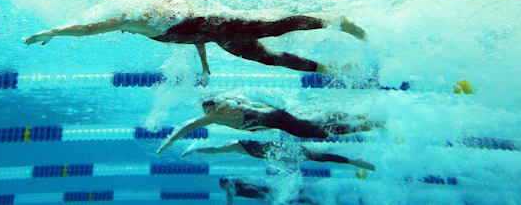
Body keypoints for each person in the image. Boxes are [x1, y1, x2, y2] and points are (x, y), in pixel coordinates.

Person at [25, 9, 366, 86]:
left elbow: (89, 29)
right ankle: (326, 69)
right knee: (269, 59)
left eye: (119, 26)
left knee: (272, 29)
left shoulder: (143, 22)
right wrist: (204, 65)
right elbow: (192, 36)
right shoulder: (152, 29)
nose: (120, 29)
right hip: (217, 37)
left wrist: (53, 31)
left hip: (222, 26)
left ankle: (336, 20)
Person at [157, 95, 380, 154]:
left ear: (211, 108)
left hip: (280, 120)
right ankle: (361, 119)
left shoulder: (218, 114)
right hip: (280, 118)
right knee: (316, 123)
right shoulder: (230, 107)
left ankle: (368, 123)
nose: (207, 115)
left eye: (207, 111)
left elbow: (191, 125)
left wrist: (169, 142)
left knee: (320, 132)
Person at [183, 139, 375, 170]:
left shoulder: (241, 145)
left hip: (269, 148)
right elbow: (216, 150)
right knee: (314, 154)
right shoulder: (240, 145)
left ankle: (353, 160)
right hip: (264, 149)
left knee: (314, 154)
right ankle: (352, 160)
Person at [220, 177, 318, 205]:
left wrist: (262, 195)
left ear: (226, 183)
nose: (225, 189)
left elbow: (251, 188)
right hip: (263, 190)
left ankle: (308, 196)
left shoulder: (231, 186)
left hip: (263, 192)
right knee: (286, 197)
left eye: (224, 187)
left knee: (286, 199)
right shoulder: (235, 183)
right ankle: (308, 192)